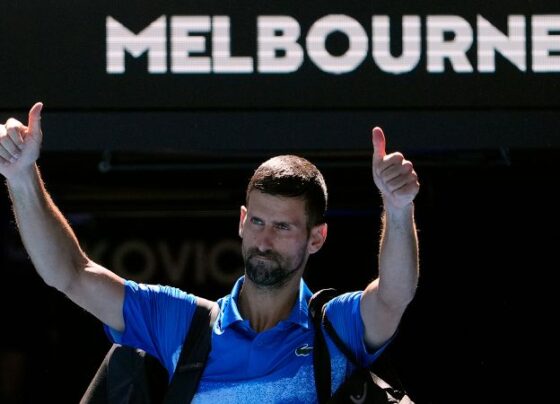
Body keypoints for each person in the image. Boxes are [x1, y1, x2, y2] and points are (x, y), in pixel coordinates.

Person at [0, 102, 420, 402]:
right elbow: (70, 273)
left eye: (283, 226)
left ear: (317, 238)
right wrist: (21, 177)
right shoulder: (182, 323)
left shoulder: (335, 328)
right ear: (241, 221)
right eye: (257, 221)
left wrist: (398, 209)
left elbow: (393, 295)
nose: (264, 240)